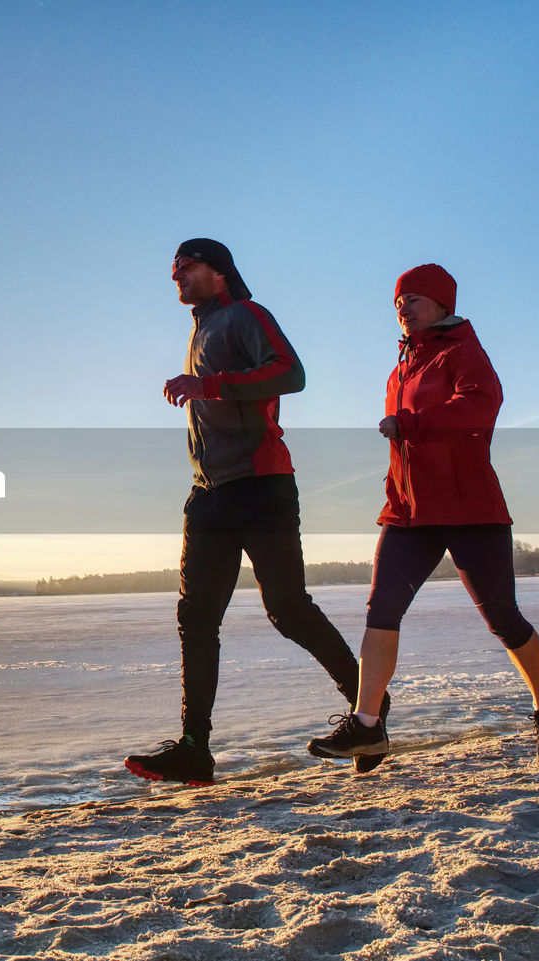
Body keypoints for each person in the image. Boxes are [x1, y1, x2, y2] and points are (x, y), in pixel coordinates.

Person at [125, 238, 379, 786]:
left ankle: (369, 710)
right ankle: (195, 749)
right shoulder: (201, 327)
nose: (176, 275)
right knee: (196, 619)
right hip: (209, 492)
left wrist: (208, 385)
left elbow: (291, 373)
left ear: (218, 273)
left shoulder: (245, 314)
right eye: (172, 268)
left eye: (186, 266)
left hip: (261, 483)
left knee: (288, 609)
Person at [307, 263, 539, 769]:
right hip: (409, 513)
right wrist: (395, 486)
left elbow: (481, 406)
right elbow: (403, 445)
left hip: (470, 510)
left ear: (442, 305)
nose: (403, 309)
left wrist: (413, 422)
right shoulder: (400, 368)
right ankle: (367, 726)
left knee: (503, 619)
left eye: (414, 300)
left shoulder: (462, 351)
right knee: (381, 610)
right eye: (398, 303)